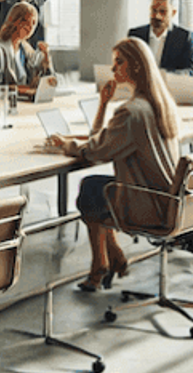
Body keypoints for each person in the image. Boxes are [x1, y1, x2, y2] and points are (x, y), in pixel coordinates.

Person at [46, 38, 181, 291]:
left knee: (90, 190)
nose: (113, 69)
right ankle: (109, 257)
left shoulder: (131, 112)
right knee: (98, 189)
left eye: (119, 62)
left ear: (137, 66)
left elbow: (95, 152)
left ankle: (101, 265)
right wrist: (103, 104)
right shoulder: (160, 105)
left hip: (149, 206)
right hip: (171, 200)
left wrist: (65, 145)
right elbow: (102, 142)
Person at [0, 1, 51, 97]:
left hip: (20, 103)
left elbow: (48, 80)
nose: (31, 27)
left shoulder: (26, 50)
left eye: (34, 23)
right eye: (26, 22)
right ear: (15, 21)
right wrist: (23, 90)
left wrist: (46, 56)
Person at [127, 0, 193, 80]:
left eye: (163, 11)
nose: (157, 16)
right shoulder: (135, 35)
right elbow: (126, 66)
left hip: (170, 89)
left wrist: (163, 76)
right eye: (154, 10)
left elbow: (192, 71)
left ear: (173, 13)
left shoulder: (185, 37)